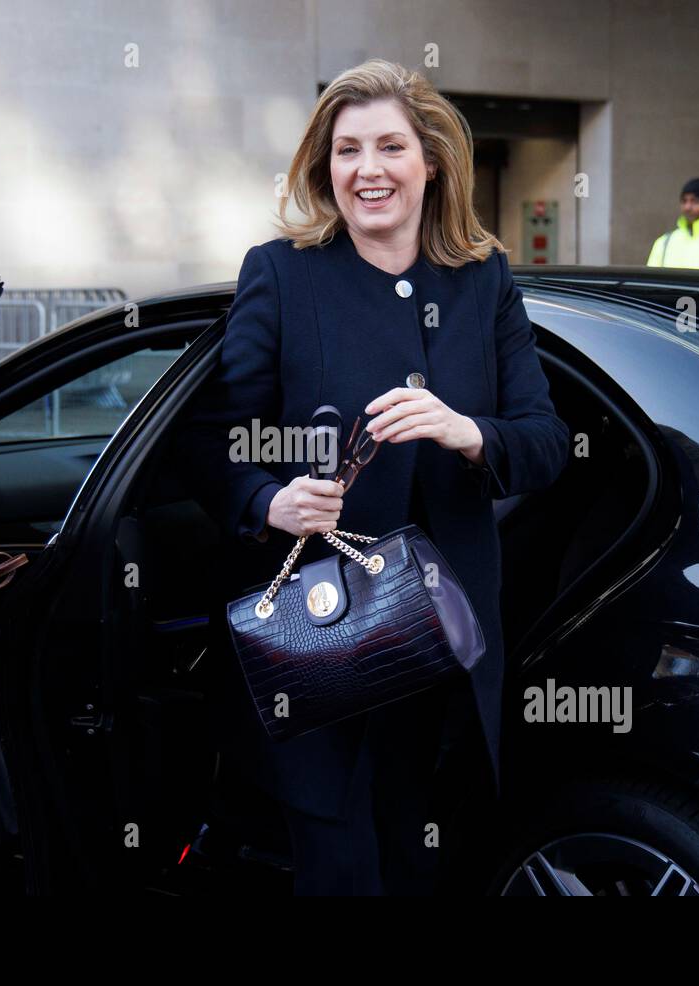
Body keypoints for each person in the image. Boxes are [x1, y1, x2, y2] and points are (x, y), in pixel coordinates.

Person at [179, 59, 569, 894]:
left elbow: (545, 443)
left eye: (390, 146)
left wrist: (468, 433)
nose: (368, 170)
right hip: (329, 645)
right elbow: (211, 438)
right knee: (342, 866)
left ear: (430, 161)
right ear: (327, 167)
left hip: (450, 649)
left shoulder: (485, 279)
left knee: (434, 863)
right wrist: (267, 499)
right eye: (348, 150)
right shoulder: (283, 274)